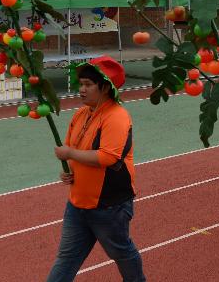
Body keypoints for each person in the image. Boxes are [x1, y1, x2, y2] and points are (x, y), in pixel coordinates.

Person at [46, 56, 145, 282]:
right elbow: (73, 146)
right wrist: (69, 168)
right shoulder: (81, 114)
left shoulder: (117, 116)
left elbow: (107, 157)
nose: (81, 90)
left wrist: (69, 154)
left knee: (121, 252)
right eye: (80, 84)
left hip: (109, 206)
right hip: (77, 203)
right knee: (67, 257)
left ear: (105, 87)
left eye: (88, 85)